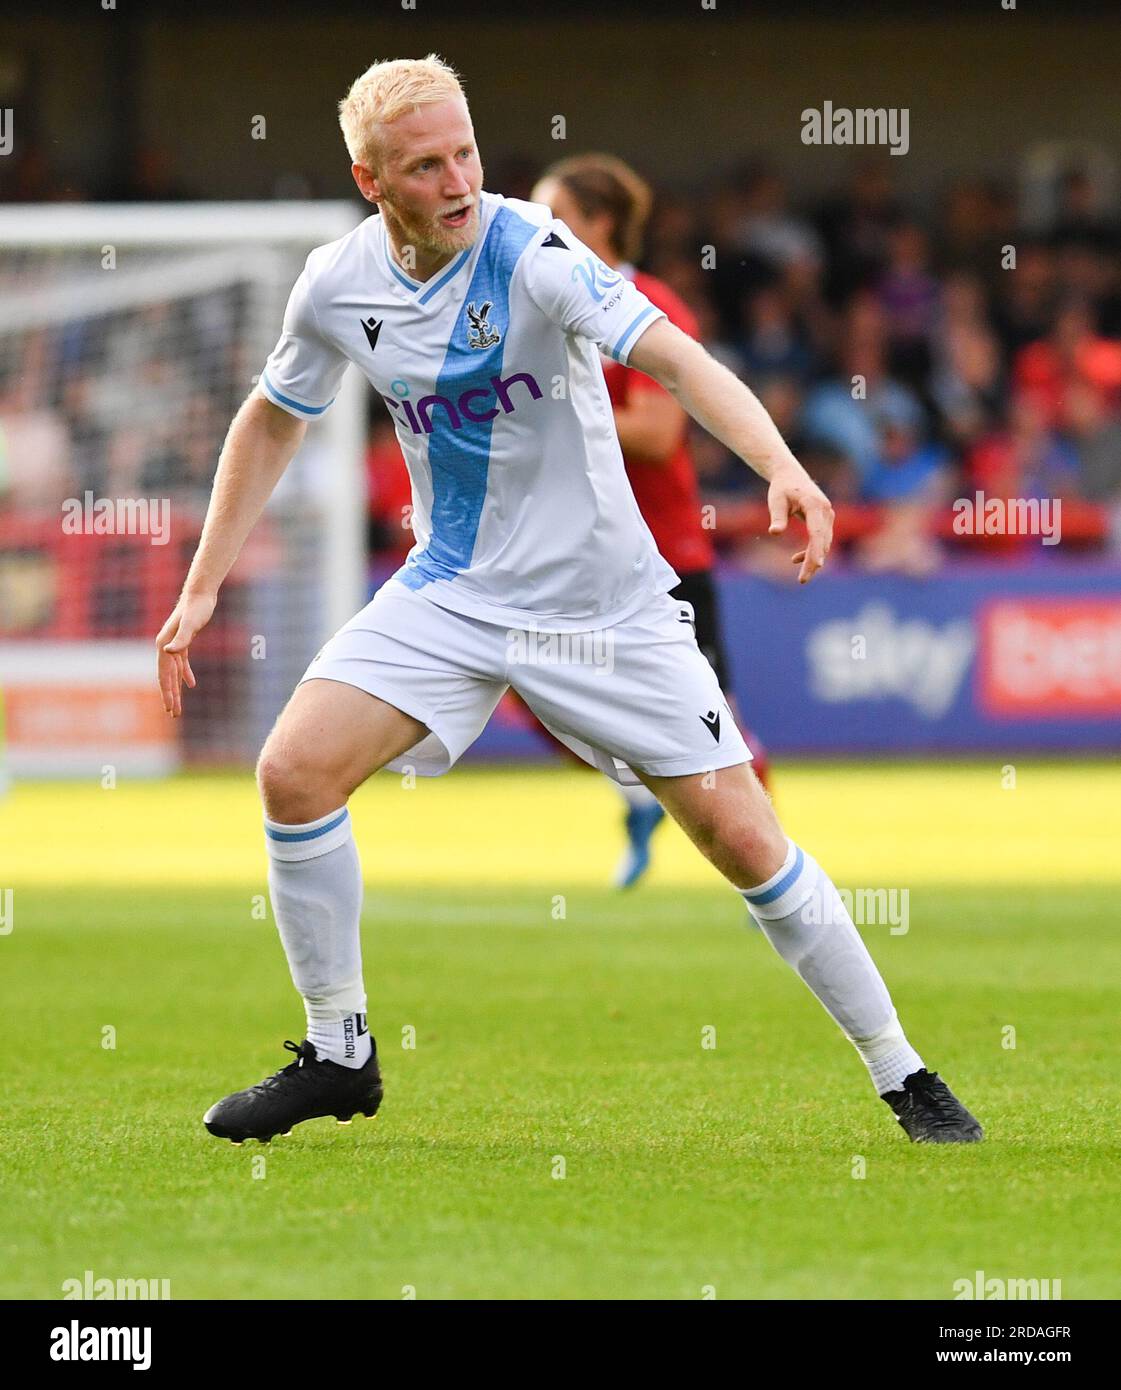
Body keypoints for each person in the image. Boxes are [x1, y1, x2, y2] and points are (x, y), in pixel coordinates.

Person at [156, 54, 982, 1147]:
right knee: (292, 771)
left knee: (742, 840)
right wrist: (206, 576)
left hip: (605, 609)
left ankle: (902, 1073)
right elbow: (271, 417)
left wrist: (780, 463)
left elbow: (679, 360)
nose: (456, 181)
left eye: (465, 152)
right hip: (448, 593)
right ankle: (339, 1052)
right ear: (370, 181)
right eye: (424, 166)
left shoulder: (534, 252)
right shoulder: (336, 285)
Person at [529, 152, 770, 888]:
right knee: (528, 694)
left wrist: (543, 404)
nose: (538, 231)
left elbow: (659, 431)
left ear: (600, 225)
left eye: (556, 217)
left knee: (714, 728)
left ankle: (780, 869)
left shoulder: (645, 304)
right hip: (565, 556)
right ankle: (638, 790)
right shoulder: (537, 308)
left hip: (662, 556)